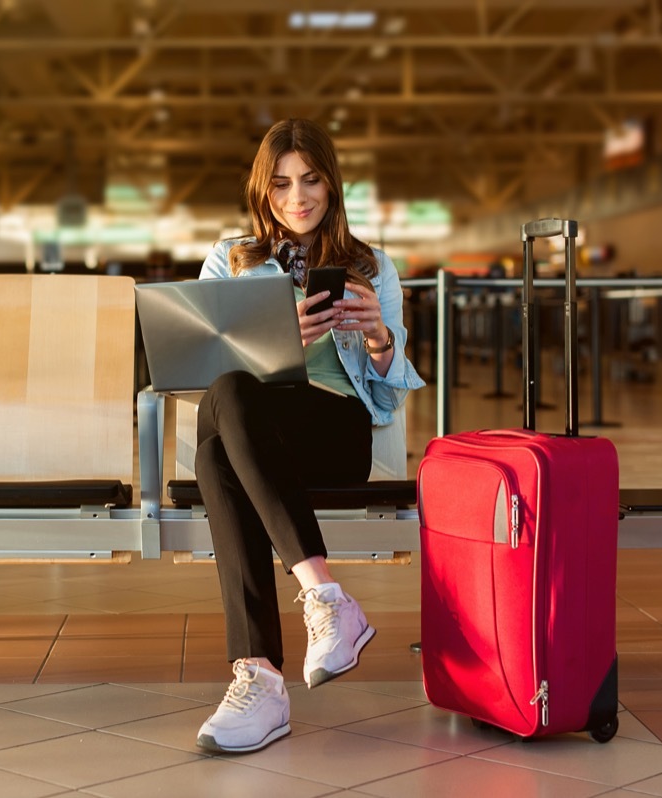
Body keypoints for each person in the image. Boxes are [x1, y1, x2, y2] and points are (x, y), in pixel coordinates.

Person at [193, 118, 424, 754]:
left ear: (332, 182)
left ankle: (260, 678)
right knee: (227, 412)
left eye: (312, 180)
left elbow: (387, 390)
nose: (298, 198)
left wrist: (378, 338)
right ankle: (318, 605)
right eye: (282, 184)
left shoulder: (371, 265)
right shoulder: (230, 259)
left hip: (335, 429)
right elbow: (204, 371)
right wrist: (273, 349)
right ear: (262, 190)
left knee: (220, 445)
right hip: (257, 430)